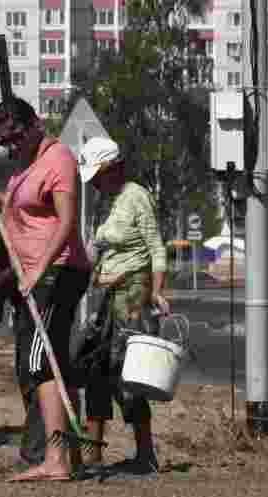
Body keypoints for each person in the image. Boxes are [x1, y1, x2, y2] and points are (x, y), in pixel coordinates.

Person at [0, 96, 91, 482]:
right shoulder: (26, 165)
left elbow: (65, 221)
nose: (12, 146)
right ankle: (64, 456)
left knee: (41, 363)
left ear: (36, 124)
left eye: (17, 137)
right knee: (46, 364)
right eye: (5, 141)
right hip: (35, 276)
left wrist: (39, 269)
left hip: (56, 273)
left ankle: (55, 459)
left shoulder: (58, 160)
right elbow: (25, 210)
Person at [77, 136, 170, 477]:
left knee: (127, 374)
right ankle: (93, 455)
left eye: (98, 176)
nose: (95, 184)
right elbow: (98, 250)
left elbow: (156, 247)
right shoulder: (106, 202)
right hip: (105, 295)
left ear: (112, 168)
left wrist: (156, 292)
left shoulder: (136, 197)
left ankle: (145, 455)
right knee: (95, 369)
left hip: (133, 293)